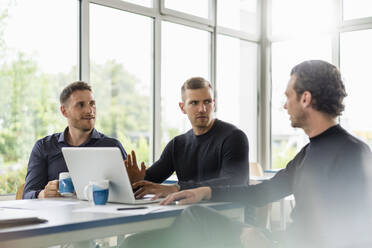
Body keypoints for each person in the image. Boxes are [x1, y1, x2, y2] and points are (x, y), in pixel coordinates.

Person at [126, 60, 372, 248]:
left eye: (288, 96)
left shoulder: (352, 152)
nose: (285, 105)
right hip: (281, 242)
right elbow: (263, 192)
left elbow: (352, 234)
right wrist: (206, 191)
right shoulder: (309, 152)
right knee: (185, 219)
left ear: (305, 98)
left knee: (193, 223)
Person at [125, 77, 249, 200]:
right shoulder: (177, 144)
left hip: (227, 213)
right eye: (194, 103)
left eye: (207, 102)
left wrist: (177, 188)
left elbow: (234, 183)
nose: (202, 109)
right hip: (188, 211)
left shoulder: (234, 137)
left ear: (214, 104)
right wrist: (136, 181)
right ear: (182, 107)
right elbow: (149, 182)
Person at [23, 81, 127, 199]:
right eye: (81, 105)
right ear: (64, 111)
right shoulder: (44, 146)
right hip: (57, 216)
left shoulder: (112, 146)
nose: (89, 110)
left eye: (92, 104)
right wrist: (43, 194)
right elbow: (27, 195)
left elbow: (130, 192)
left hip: (101, 215)